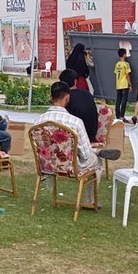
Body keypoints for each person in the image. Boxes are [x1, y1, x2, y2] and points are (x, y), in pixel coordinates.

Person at [40, 81, 102, 209]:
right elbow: (85, 154)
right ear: (67, 98)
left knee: (89, 154)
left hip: (47, 165)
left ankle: (96, 152)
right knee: (97, 161)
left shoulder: (39, 121)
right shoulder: (75, 122)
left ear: (51, 97)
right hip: (70, 166)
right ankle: (89, 200)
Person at [59, 68, 99, 142]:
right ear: (75, 81)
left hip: (74, 137)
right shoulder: (87, 94)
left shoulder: (64, 98)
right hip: (91, 135)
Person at [113, 48, 131, 121]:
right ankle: (122, 116)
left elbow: (116, 73)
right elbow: (127, 75)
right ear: (124, 55)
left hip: (118, 84)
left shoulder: (117, 64)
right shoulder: (126, 64)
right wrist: (130, 84)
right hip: (124, 84)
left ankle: (117, 116)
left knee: (118, 101)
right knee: (124, 101)